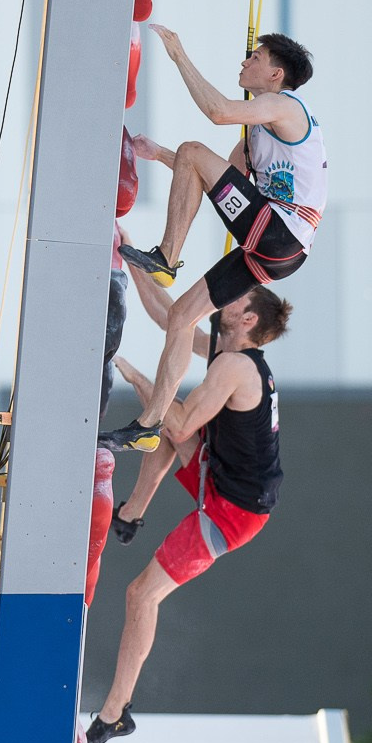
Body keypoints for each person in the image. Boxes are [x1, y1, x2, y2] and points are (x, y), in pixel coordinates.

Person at [83, 276, 292, 743]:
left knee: (141, 595)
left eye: (235, 299)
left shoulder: (237, 366)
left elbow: (177, 423)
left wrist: (126, 368)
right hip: (221, 476)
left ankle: (116, 713)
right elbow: (170, 318)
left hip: (234, 513)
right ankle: (131, 514)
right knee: (166, 418)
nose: (225, 299)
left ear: (248, 319)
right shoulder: (227, 350)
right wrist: (134, 260)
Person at [99, 23, 323, 453]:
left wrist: (178, 54)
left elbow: (218, 112)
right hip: (276, 250)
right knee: (181, 316)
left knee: (192, 148)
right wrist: (157, 154)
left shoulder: (286, 107)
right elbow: (215, 180)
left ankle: (166, 258)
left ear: (276, 74)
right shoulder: (257, 134)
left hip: (280, 233)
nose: (244, 62)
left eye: (255, 58)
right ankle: (149, 425)